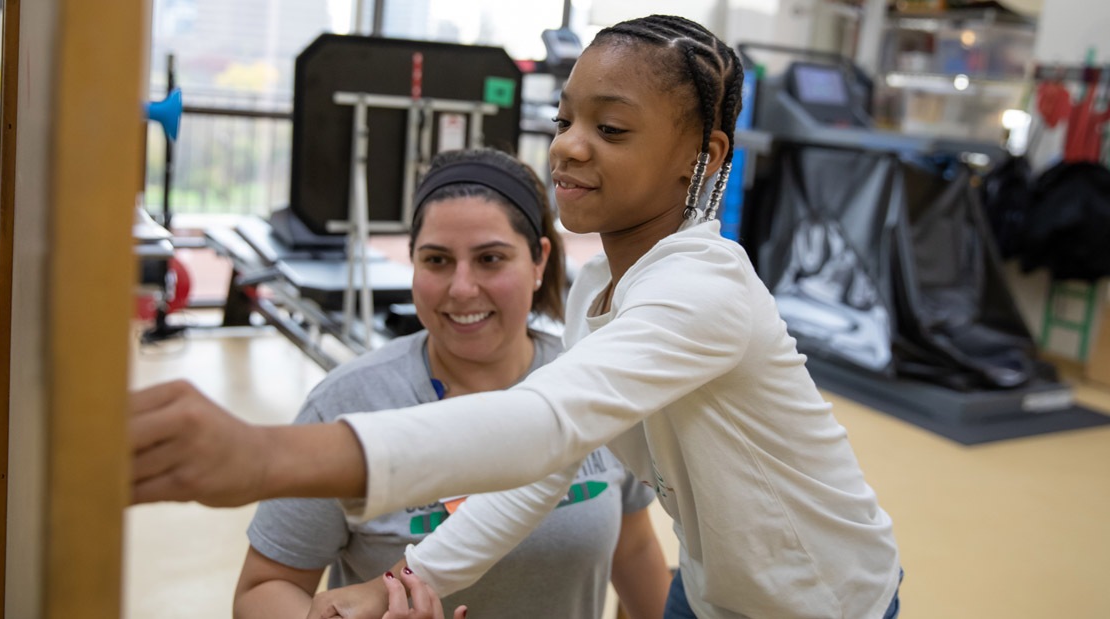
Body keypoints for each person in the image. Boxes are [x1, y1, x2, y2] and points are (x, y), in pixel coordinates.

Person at [130, 14, 903, 618]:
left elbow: (542, 425)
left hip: (820, 603)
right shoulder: (604, 285)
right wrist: (402, 580)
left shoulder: (706, 290)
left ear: (700, 155)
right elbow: (544, 465)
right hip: (709, 593)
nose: (567, 145)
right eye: (566, 118)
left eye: (611, 128)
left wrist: (263, 456)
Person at [232, 148, 670, 619]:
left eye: (490, 259)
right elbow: (263, 587)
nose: (462, 288)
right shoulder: (348, 404)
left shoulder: (593, 384)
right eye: (437, 260)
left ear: (539, 259)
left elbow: (633, 547)